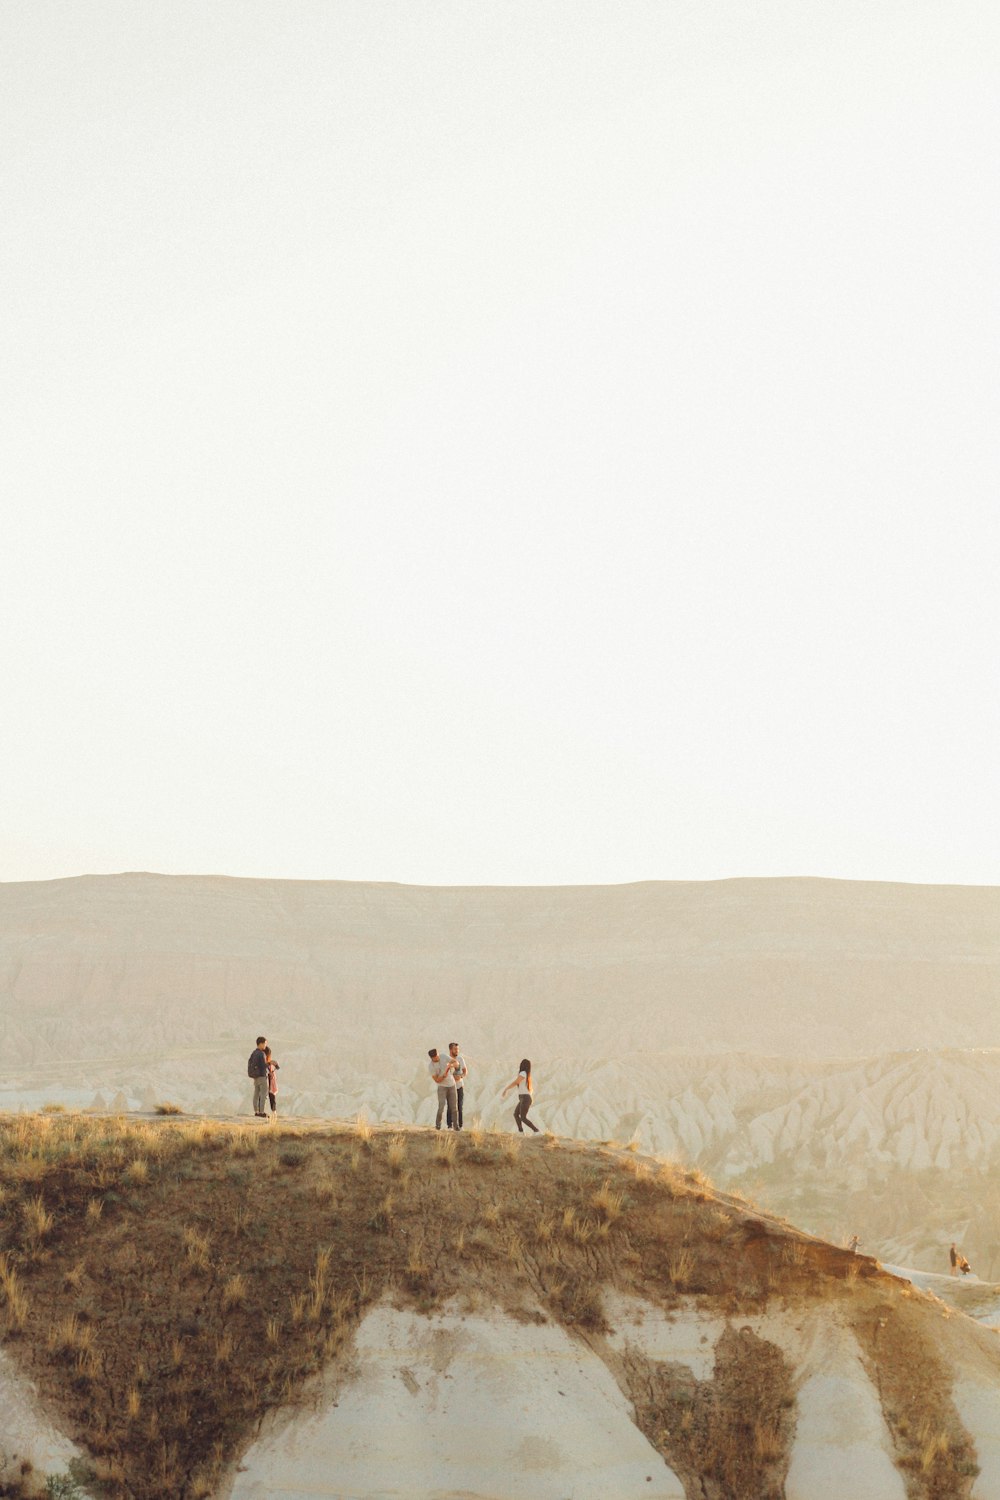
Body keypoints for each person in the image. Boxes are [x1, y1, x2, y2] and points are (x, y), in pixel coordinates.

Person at [501, 1058, 539, 1134]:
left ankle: (536, 1131)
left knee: (523, 1117)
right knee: (516, 1114)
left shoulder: (523, 1073)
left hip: (525, 1098)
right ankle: (521, 1132)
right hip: (523, 1098)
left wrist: (506, 1089)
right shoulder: (525, 1074)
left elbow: (516, 1082)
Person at [428, 1047, 459, 1131]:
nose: (438, 1058)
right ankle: (438, 1125)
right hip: (442, 1087)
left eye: (438, 1055)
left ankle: (456, 1127)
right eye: (436, 1057)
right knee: (441, 1106)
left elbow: (456, 1063)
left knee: (454, 1107)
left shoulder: (443, 1056)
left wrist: (451, 1065)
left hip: (452, 1085)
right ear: (432, 1058)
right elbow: (437, 1080)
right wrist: (443, 1077)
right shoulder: (431, 1066)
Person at [448, 1041, 468, 1130]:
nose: (457, 1051)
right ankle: (450, 1126)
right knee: (450, 1106)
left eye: (458, 1049)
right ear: (450, 1050)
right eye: (455, 1049)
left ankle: (460, 1126)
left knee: (460, 1106)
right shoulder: (446, 1060)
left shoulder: (460, 1059)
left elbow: (465, 1071)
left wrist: (461, 1077)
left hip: (460, 1086)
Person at [248, 1036, 268, 1118]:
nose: (265, 1046)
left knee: (256, 1094)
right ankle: (262, 1112)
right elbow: (263, 1065)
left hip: (255, 1076)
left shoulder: (253, 1053)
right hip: (262, 1076)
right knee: (263, 1094)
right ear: (261, 1043)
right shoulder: (261, 1053)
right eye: (265, 1044)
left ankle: (256, 1111)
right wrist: (270, 1063)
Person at [264, 1045, 279, 1118]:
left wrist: (273, 1064)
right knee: (269, 1096)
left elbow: (276, 1068)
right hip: (266, 1080)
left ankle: (273, 1112)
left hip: (270, 1080)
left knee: (271, 1096)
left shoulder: (269, 1062)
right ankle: (271, 1112)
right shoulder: (265, 1062)